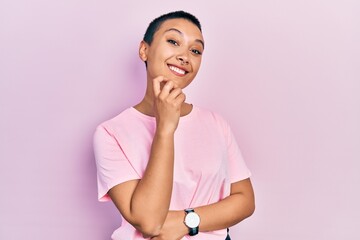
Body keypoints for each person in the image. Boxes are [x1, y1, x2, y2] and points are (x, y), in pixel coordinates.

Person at [93, 10, 255, 240]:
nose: (184, 56)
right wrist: (165, 128)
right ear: (144, 50)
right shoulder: (111, 133)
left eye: (195, 50)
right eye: (173, 41)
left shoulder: (216, 124)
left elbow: (245, 200)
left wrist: (185, 221)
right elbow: (149, 222)